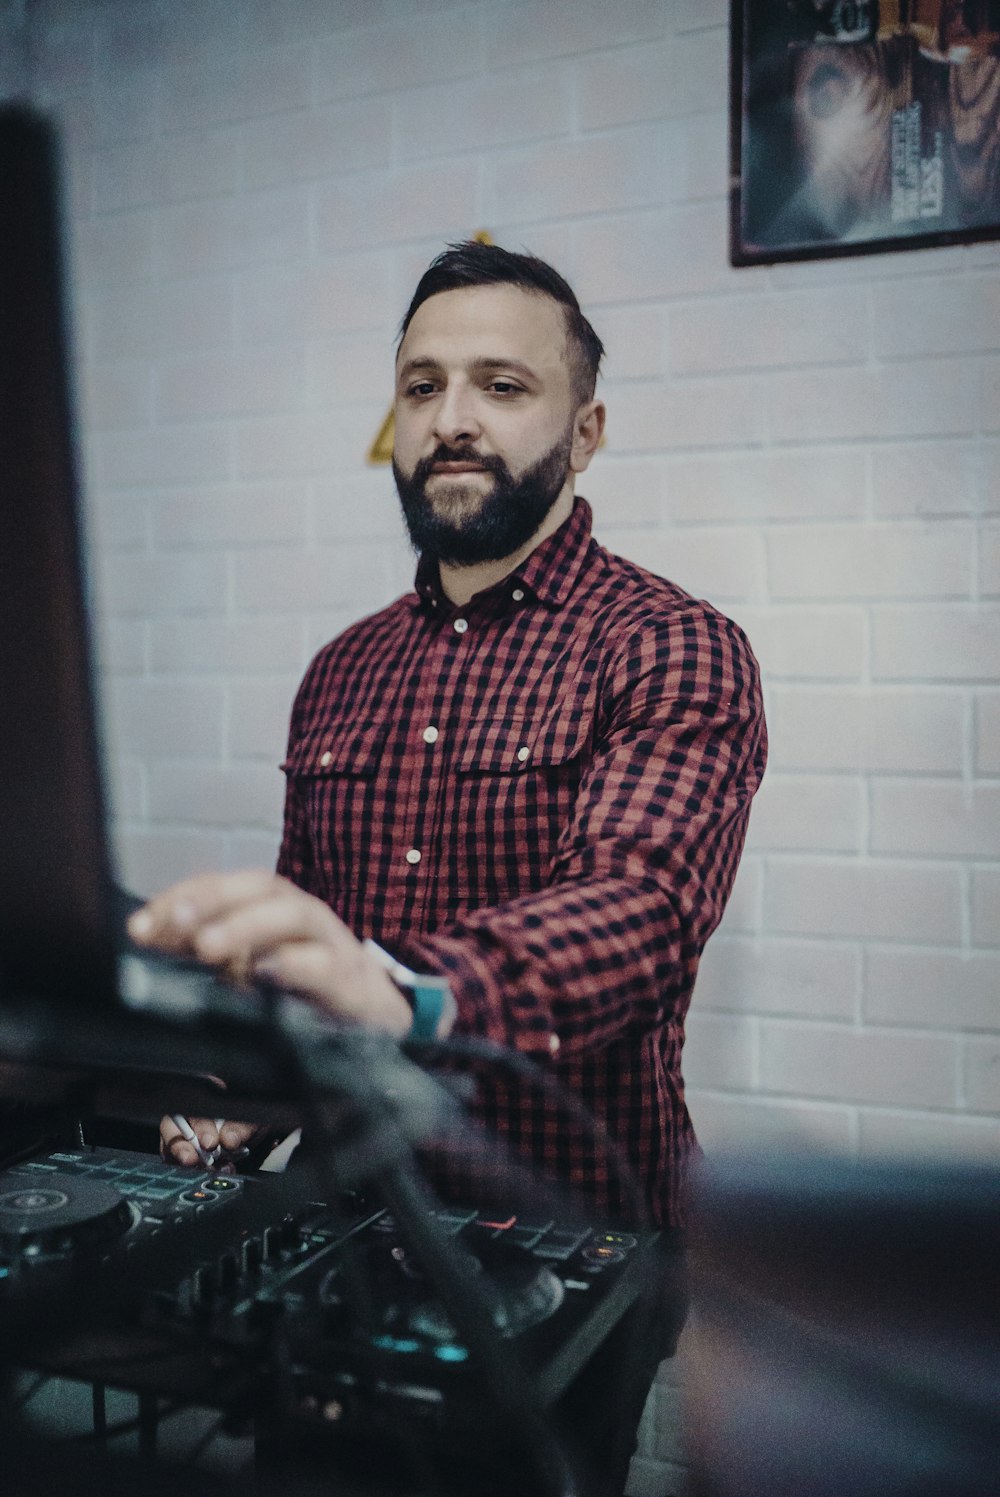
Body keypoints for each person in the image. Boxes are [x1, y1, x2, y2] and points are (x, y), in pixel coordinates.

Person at [128, 241, 766, 1494]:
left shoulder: (674, 647)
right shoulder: (341, 669)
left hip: (572, 1221)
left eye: (500, 385)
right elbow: (307, 932)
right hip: (345, 1217)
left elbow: (639, 909)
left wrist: (409, 993)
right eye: (421, 387)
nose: (452, 419)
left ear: (584, 433)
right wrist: (244, 1069)